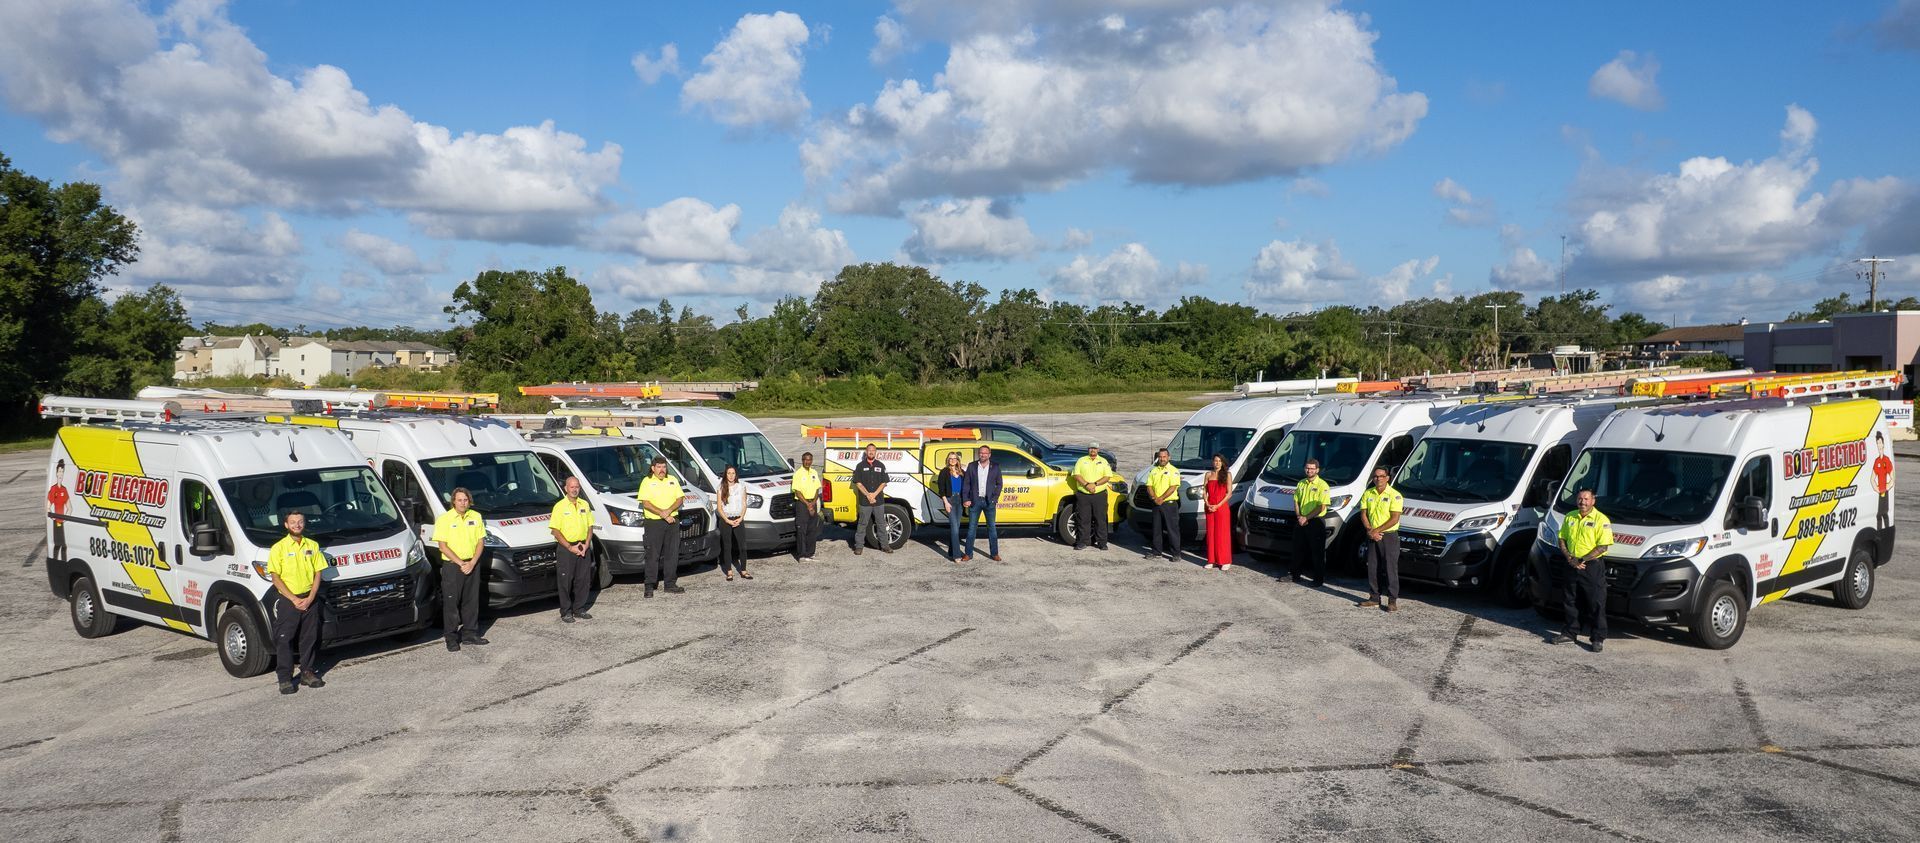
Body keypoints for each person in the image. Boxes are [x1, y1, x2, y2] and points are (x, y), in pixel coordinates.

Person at [267, 511, 327, 694]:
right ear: (286, 525)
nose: (297, 525)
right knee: (285, 638)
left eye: (300, 522)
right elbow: (275, 578)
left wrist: (310, 598)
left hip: (309, 598)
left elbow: (318, 573)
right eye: (293, 522)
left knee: (309, 637)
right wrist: (294, 599)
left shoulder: (313, 545)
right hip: (288, 599)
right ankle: (284, 678)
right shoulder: (279, 548)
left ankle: (307, 673)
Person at [1553, 488, 1613, 652]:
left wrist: (1582, 559)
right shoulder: (1570, 516)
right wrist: (1570, 559)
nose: (1582, 502)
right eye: (1580, 499)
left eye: (1586, 499)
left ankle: (1597, 638)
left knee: (1596, 603)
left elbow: (1603, 546)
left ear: (1593, 500)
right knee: (1570, 600)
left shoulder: (1602, 520)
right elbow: (1562, 539)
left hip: (1591, 566)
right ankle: (1570, 633)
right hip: (1572, 564)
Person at [435, 488, 488, 651]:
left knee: (471, 601)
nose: (463, 503)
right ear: (453, 501)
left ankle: (470, 634)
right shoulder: (444, 519)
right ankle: (451, 637)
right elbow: (442, 547)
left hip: (472, 563)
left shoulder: (476, 516)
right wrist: (461, 563)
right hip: (453, 566)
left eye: (465, 500)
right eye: (459, 500)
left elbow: (481, 542)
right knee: (452, 603)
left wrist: (472, 563)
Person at [638, 456, 686, 597]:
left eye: (664, 467)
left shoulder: (672, 480)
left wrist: (668, 511)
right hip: (654, 523)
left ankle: (670, 583)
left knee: (672, 553)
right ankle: (649, 585)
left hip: (672, 521)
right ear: (653, 468)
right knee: (653, 554)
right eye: (659, 467)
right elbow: (646, 503)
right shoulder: (647, 481)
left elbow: (680, 499)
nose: (662, 470)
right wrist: (663, 514)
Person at [549, 476, 595, 623]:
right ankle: (566, 611)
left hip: (583, 546)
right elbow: (555, 530)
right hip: (567, 548)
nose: (575, 490)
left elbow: (590, 526)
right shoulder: (560, 506)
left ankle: (579, 608)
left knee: (583, 580)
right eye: (572, 487)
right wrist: (570, 547)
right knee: (565, 581)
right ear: (566, 488)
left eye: (577, 487)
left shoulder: (584, 504)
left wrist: (587, 543)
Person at [1357, 468, 1403, 611]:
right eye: (1375, 477)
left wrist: (1376, 530)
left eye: (1381, 476)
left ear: (1387, 478)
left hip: (1388, 536)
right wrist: (1370, 531)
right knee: (1372, 566)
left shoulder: (1395, 495)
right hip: (1372, 534)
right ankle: (1374, 598)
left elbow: (1395, 518)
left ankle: (1392, 601)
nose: (1378, 479)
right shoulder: (1368, 493)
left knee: (1390, 568)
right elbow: (1363, 513)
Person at [1291, 458, 1331, 586]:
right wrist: (1299, 516)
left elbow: (1321, 506)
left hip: (1315, 521)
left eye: (1312, 468)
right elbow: (1296, 501)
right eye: (1307, 468)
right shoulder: (1301, 483)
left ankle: (1318, 580)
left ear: (1317, 470)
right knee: (1297, 549)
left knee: (1317, 552)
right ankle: (1294, 575)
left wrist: (1306, 518)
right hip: (1301, 520)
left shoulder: (1323, 485)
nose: (1309, 470)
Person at [964, 445, 1003, 561]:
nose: (983, 455)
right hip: (975, 501)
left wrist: (994, 498)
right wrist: (966, 498)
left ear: (989, 454)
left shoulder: (995, 467)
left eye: (985, 453)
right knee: (971, 528)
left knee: (992, 528)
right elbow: (966, 483)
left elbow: (999, 484)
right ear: (978, 454)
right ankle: (968, 553)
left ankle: (994, 553)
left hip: (989, 502)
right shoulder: (972, 466)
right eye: (981, 453)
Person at [1071, 443, 1113, 550]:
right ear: (1088, 449)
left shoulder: (1103, 461)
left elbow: (1107, 476)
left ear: (1098, 449)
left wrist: (1094, 484)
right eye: (1090, 448)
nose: (1092, 450)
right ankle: (1082, 542)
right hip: (1083, 494)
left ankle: (1102, 542)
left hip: (1099, 494)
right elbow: (1076, 474)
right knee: (1083, 519)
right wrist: (1086, 485)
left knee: (1100, 519)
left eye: (1094, 448)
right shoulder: (1081, 460)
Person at [851, 443, 891, 555]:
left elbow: (884, 483)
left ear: (876, 452)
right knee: (862, 524)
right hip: (865, 501)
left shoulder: (881, 465)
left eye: (873, 450)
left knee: (881, 524)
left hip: (878, 501)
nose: (871, 452)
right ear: (866, 452)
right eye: (869, 450)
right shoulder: (859, 466)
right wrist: (868, 495)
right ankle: (859, 547)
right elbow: (858, 483)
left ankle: (885, 546)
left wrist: (874, 495)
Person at [1145, 448, 1182, 560]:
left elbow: (1173, 487)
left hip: (1169, 504)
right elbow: (1149, 486)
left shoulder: (1173, 470)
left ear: (1168, 457)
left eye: (1164, 457)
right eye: (1160, 457)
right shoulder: (1153, 470)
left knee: (1172, 530)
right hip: (1156, 503)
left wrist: (1161, 498)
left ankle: (1176, 554)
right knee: (1156, 529)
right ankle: (1157, 552)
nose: (1162, 459)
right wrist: (1154, 497)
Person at [717, 464, 752, 581]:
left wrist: (741, 518)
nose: (731, 476)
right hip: (726, 519)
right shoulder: (721, 487)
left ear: (736, 474)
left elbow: (744, 504)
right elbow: (719, 508)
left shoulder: (741, 486)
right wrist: (727, 520)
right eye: (729, 473)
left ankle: (743, 570)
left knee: (743, 546)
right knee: (727, 546)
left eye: (733, 473)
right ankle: (729, 571)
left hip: (738, 518)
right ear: (725, 475)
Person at [937, 452, 969, 562]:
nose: (952, 460)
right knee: (955, 528)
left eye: (954, 458)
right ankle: (956, 555)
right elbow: (941, 489)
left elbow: (967, 485)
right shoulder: (944, 472)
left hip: (959, 500)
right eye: (950, 458)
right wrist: (946, 502)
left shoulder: (961, 472)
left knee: (956, 527)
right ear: (947, 460)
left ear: (957, 460)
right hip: (950, 500)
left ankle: (951, 551)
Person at [1204, 453, 1233, 570]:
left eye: (1219, 461)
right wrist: (1207, 503)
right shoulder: (1208, 474)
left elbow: (1229, 493)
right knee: (1211, 533)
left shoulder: (1227, 475)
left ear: (1223, 462)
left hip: (1221, 507)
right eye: (1215, 461)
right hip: (1210, 506)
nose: (1217, 463)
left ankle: (1225, 560)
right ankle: (1212, 560)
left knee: (1222, 534)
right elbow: (1204, 491)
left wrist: (1218, 505)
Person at [791, 452, 822, 562]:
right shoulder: (798, 474)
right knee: (802, 530)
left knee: (812, 529)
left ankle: (810, 553)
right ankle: (802, 555)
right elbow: (797, 491)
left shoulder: (814, 472)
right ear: (802, 460)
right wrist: (807, 504)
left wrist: (813, 502)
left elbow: (817, 488)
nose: (807, 462)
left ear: (812, 461)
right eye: (805, 459)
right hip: (802, 504)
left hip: (812, 503)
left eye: (809, 460)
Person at [47, 458, 69, 563]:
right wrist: (53, 516)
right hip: (56, 522)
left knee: (64, 545)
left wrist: (65, 518)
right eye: (59, 471)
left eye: (62, 471)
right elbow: (48, 506)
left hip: (62, 521)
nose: (61, 473)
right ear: (56, 473)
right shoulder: (53, 489)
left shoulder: (64, 490)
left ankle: (63, 562)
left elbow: (70, 508)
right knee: (57, 545)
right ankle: (55, 562)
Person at [1874, 431, 1893, 531]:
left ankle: (1886, 531)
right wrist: (1876, 488)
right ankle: (1880, 531)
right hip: (1879, 491)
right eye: (1877, 443)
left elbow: (1892, 478)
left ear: (1883, 444)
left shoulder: (1886, 460)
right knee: (1879, 515)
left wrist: (1886, 488)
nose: (1879, 445)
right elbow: (1872, 478)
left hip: (1884, 491)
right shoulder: (1877, 461)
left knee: (1883, 513)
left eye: (1880, 442)